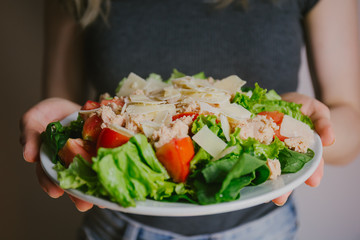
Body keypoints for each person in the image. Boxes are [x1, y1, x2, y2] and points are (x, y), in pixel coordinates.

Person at [20, 0, 360, 239]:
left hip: (262, 231)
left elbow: (350, 120)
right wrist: (68, 128)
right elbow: (67, 109)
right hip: (117, 230)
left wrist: (309, 132)